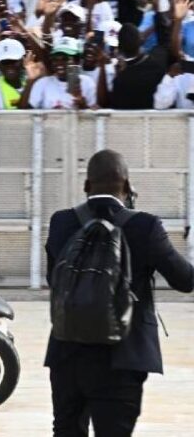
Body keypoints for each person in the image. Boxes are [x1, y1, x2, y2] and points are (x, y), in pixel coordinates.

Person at [45, 149, 193, 436]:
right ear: (127, 186)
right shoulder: (145, 226)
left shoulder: (61, 222)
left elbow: (54, 280)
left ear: (86, 186)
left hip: (67, 353)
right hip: (122, 358)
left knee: (65, 430)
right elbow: (185, 280)